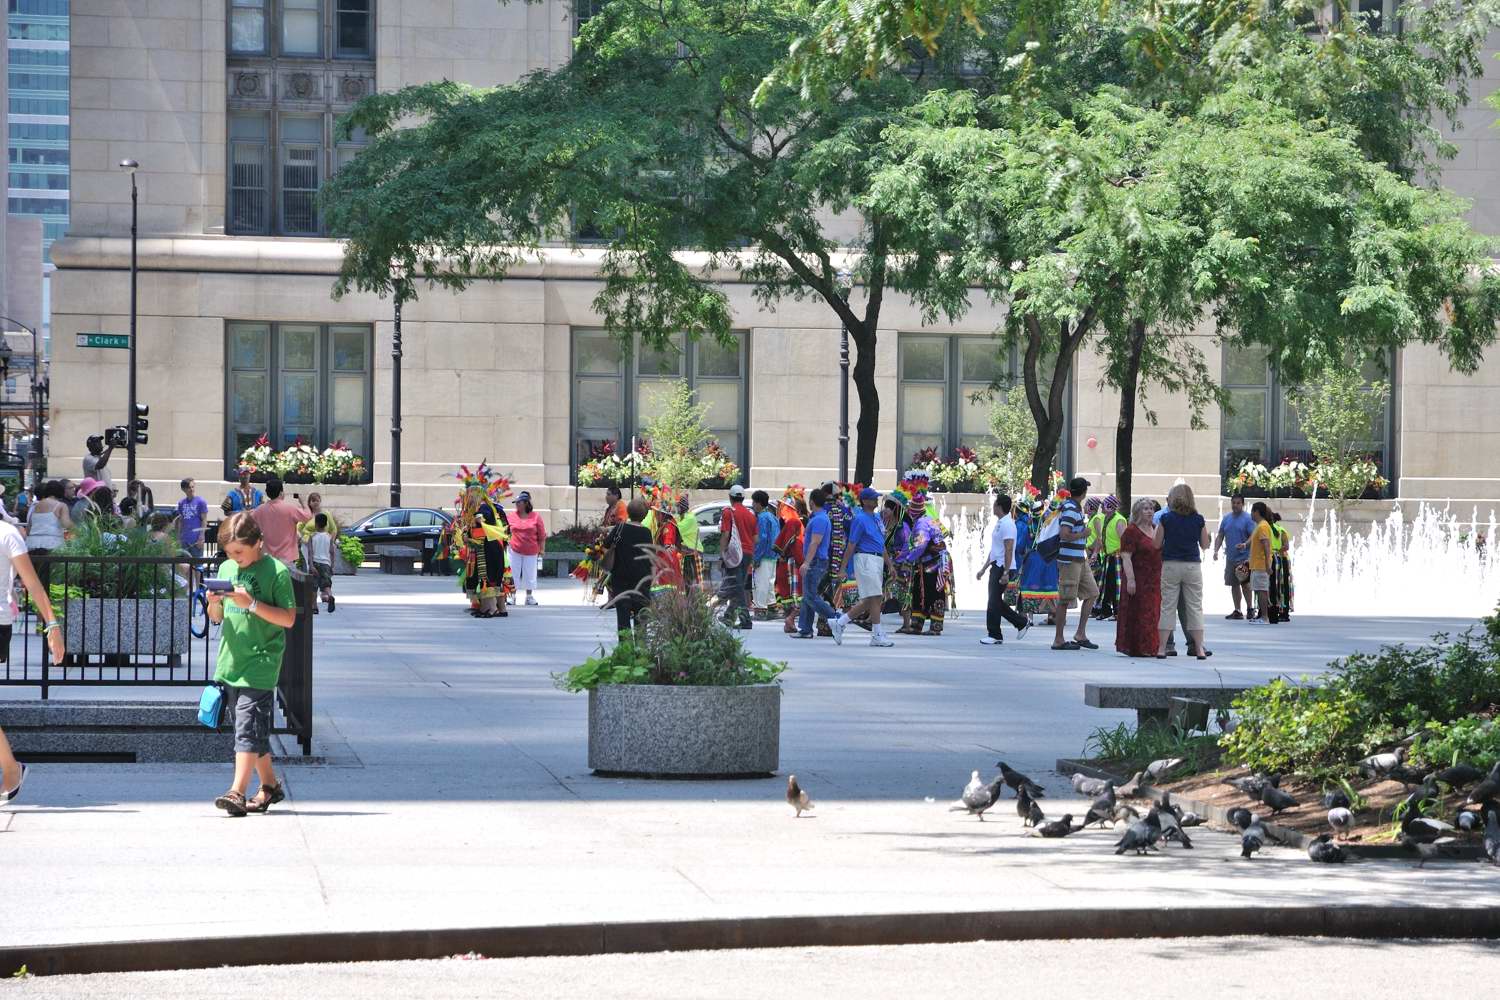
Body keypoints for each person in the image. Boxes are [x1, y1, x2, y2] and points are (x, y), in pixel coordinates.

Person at [205, 513, 296, 817]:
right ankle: (269, 785)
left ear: (258, 542)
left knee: (246, 729)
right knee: (251, 730)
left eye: (239, 551)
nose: (234, 558)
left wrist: (252, 604)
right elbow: (216, 617)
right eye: (229, 552)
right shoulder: (227, 569)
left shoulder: (276, 572)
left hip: (261, 661)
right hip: (231, 661)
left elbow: (288, 618)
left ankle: (237, 792)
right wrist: (213, 602)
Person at [0, 511, 66, 803]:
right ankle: (11, 768)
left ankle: (11, 769)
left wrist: (52, 624)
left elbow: (33, 583)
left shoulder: (7, 534)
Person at [830, 488, 894, 647]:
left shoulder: (876, 518)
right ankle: (877, 634)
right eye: (873, 498)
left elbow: (881, 544)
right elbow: (851, 544)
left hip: (876, 559)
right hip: (865, 558)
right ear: (865, 501)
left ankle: (840, 623)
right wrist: (843, 568)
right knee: (876, 597)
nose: (876, 500)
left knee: (870, 599)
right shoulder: (860, 519)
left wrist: (890, 565)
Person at [1154, 483, 1211, 659]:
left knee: (1167, 607)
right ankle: (1199, 648)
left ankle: (1162, 648)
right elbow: (1205, 545)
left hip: (1171, 565)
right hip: (1192, 566)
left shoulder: (1166, 518)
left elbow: (1156, 544)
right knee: (1195, 607)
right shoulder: (1198, 519)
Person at [1052, 477, 1100, 651]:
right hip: (1069, 561)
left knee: (1092, 593)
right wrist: (1083, 534)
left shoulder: (1074, 507)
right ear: (1084, 492)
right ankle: (1058, 639)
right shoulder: (1071, 509)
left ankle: (1080, 634)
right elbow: (1064, 534)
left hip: (1079, 559)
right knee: (1065, 599)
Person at [895, 484, 950, 636]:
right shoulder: (930, 519)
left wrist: (908, 560)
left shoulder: (920, 523)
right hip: (939, 562)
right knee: (930, 592)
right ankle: (923, 625)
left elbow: (920, 545)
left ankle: (924, 626)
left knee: (926, 593)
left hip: (930, 564)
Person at [976, 493, 1030, 644]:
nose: (992, 507)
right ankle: (1020, 623)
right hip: (997, 565)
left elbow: (1009, 548)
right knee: (994, 601)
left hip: (1003, 567)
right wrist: (984, 568)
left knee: (993, 601)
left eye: (994, 504)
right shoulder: (1001, 523)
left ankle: (995, 634)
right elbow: (996, 550)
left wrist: (1006, 572)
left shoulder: (1008, 525)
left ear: (999, 506)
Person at [1115, 498, 1163, 657]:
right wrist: (1131, 580)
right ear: (1138, 512)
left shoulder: (1156, 529)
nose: (1150, 511)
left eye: (1151, 508)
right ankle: (1140, 647)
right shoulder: (1131, 531)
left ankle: (1152, 647)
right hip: (1138, 578)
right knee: (1140, 614)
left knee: (1154, 613)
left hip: (1155, 579)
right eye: (1145, 509)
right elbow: (1126, 556)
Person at [794, 489, 839, 639]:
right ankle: (805, 629)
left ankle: (836, 618)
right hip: (816, 560)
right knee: (808, 596)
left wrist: (806, 563)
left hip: (815, 561)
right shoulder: (819, 517)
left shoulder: (819, 519)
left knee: (811, 596)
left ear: (812, 502)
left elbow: (815, 542)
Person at [605, 498, 654, 634]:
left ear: (628, 512)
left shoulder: (620, 528)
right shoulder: (646, 533)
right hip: (641, 582)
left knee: (623, 620)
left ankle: (624, 646)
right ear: (644, 515)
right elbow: (651, 557)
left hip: (620, 581)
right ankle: (640, 646)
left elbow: (606, 544)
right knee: (641, 621)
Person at [718, 484, 758, 629]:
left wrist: (722, 554)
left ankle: (745, 620)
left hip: (734, 554)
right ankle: (728, 616)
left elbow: (725, 534)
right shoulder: (751, 515)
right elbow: (756, 539)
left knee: (737, 586)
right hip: (748, 554)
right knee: (737, 585)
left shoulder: (728, 512)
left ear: (730, 497)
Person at [249, 478, 311, 567]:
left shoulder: (259, 510)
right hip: (287, 557)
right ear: (281, 492)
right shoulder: (290, 509)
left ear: (267, 493)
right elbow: (307, 516)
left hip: (267, 558)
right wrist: (303, 502)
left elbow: (248, 522)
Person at [1214, 494, 1255, 619]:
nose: (1235, 505)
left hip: (1244, 557)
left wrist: (1245, 544)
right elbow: (1220, 535)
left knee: (1245, 584)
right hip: (1231, 558)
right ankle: (1237, 610)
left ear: (1242, 504)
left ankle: (1250, 609)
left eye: (1238, 503)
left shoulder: (1248, 519)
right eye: (1233, 503)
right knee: (1234, 584)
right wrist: (1216, 550)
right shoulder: (1226, 519)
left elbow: (1253, 536)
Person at [772, 487, 806, 633]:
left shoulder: (789, 523)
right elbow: (796, 545)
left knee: (788, 596)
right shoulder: (794, 522)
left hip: (785, 563)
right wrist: (803, 562)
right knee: (797, 596)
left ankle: (789, 623)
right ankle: (790, 620)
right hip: (792, 564)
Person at [24, 480, 72, 583]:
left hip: (32, 545)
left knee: (35, 579)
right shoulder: (61, 506)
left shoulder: (35, 506)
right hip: (52, 546)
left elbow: (28, 530)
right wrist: (78, 529)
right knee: (52, 580)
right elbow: (66, 523)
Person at [508, 491, 546, 606]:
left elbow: (542, 535)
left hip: (531, 551)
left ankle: (529, 597)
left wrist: (542, 549)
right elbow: (505, 531)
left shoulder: (536, 517)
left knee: (530, 574)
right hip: (514, 549)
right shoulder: (511, 516)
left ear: (526, 503)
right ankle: (512, 596)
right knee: (512, 573)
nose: (516, 505)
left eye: (519, 502)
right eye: (516, 503)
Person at [1092, 496, 1126, 620]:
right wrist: (1096, 553)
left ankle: (1118, 612)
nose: (1101, 507)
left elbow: (1124, 540)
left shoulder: (1119, 520)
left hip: (1117, 556)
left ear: (1110, 506)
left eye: (1104, 505)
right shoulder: (1106, 519)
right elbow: (1100, 539)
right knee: (1107, 584)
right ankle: (1106, 610)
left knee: (1116, 585)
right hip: (1108, 556)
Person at [1247, 501, 1276, 624]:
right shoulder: (1260, 526)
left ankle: (1265, 617)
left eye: (1252, 511)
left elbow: (1266, 545)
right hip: (1257, 564)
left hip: (1261, 565)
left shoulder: (1263, 526)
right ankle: (1262, 616)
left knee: (1262, 591)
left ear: (1256, 512)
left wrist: (1267, 565)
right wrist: (1245, 545)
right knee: (1259, 590)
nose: (1250, 514)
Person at [750, 490, 778, 617]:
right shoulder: (772, 516)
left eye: (754, 502)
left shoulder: (761, 518)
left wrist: (756, 557)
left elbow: (761, 540)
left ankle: (760, 610)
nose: (752, 505)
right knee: (770, 583)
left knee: (760, 583)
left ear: (758, 503)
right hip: (773, 555)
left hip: (764, 555)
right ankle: (772, 608)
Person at [307, 512, 336, 613]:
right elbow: (332, 551)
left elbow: (310, 552)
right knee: (326, 585)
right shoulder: (329, 536)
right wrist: (332, 565)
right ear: (326, 524)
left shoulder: (312, 536)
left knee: (313, 587)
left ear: (316, 524)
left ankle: (314, 607)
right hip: (326, 564)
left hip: (315, 563)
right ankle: (330, 596)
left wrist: (311, 565)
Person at [175, 478, 210, 558]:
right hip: (184, 539)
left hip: (196, 539)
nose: (191, 489)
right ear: (183, 489)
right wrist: (178, 537)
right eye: (189, 487)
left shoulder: (201, 502)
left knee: (197, 563)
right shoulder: (181, 503)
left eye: (192, 487)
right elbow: (180, 520)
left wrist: (201, 537)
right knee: (184, 563)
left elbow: (204, 520)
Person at [1270, 512, 1294, 622]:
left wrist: (1275, 551)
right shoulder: (1276, 529)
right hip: (1278, 558)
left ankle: (1283, 611)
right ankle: (1281, 611)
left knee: (1281, 585)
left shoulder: (1278, 529)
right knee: (1279, 586)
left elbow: (1286, 546)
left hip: (1280, 559)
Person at [676, 495, 703, 587]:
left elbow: (677, 529)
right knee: (687, 581)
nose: (676, 508)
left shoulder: (689, 518)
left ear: (682, 507)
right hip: (687, 553)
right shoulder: (682, 517)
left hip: (693, 553)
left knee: (692, 583)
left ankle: (693, 596)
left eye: (678, 506)